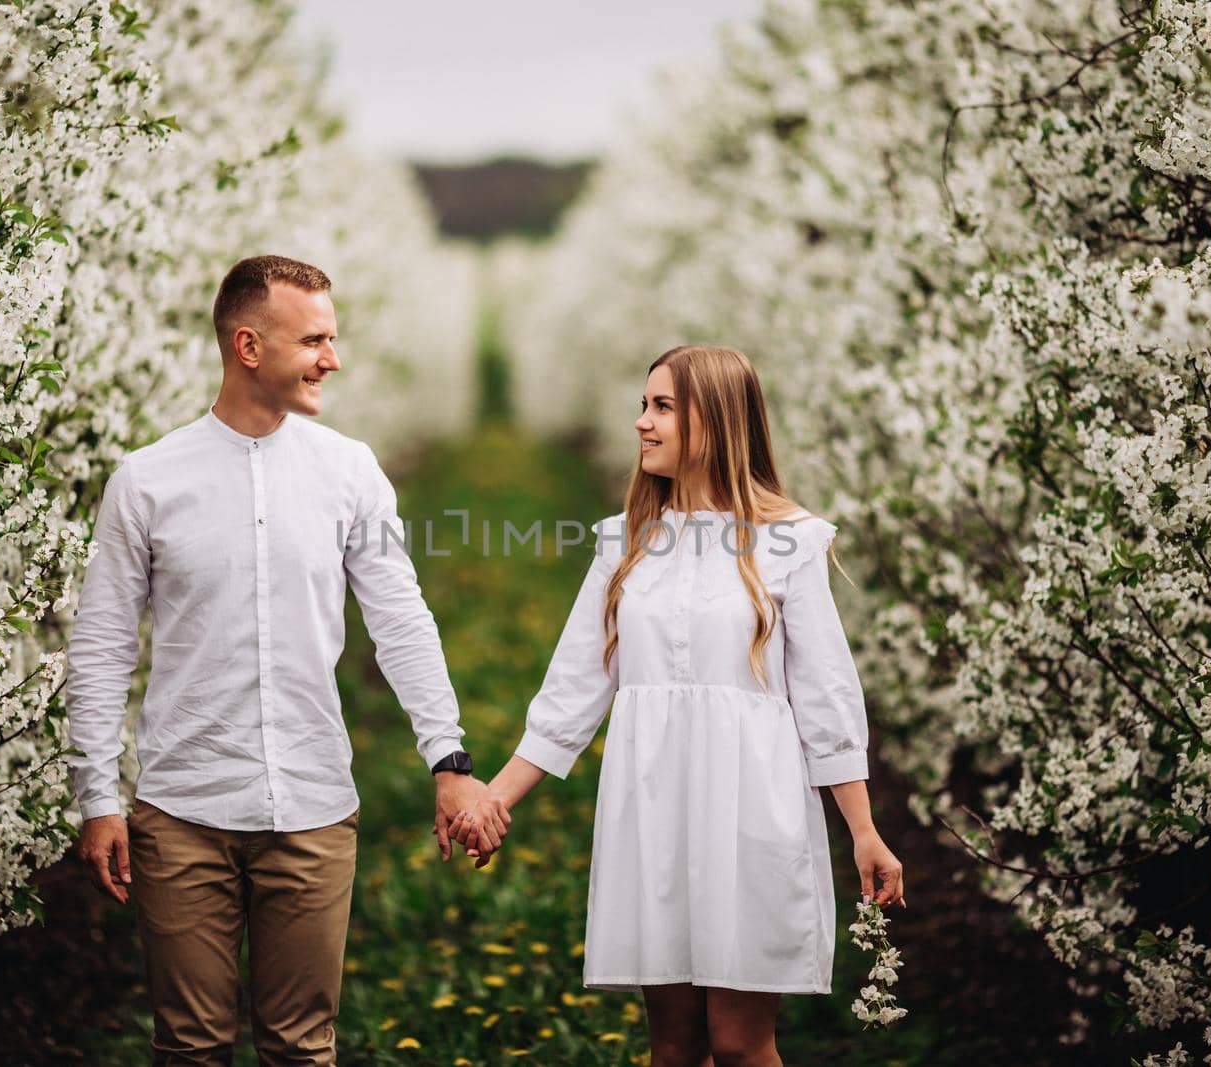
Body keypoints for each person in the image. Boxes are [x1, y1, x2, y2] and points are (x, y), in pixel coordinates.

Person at [63, 255, 509, 1066]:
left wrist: (449, 758)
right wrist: (98, 795)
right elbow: (100, 644)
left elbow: (400, 619)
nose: (332, 359)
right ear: (248, 345)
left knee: (303, 1049)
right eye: (315, 340)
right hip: (182, 811)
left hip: (311, 808)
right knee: (190, 1047)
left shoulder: (348, 472)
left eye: (332, 338)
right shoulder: (147, 482)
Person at [453, 344, 906, 1067]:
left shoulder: (788, 541)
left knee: (738, 1039)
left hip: (752, 805)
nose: (642, 423)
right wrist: (491, 800)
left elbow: (826, 695)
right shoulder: (626, 544)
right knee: (673, 1042)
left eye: (662, 406)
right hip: (652, 807)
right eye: (644, 404)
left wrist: (862, 830)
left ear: (717, 421)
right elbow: (573, 689)